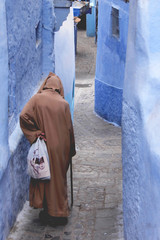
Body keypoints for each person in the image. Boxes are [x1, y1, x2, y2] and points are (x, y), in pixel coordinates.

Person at [20, 72, 76, 226]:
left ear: (46, 84)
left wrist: (35, 133)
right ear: (58, 87)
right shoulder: (63, 103)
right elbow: (69, 129)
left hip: (45, 145)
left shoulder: (37, 99)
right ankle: (60, 212)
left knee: (45, 178)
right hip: (61, 147)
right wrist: (71, 149)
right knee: (59, 179)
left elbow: (24, 116)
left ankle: (49, 212)